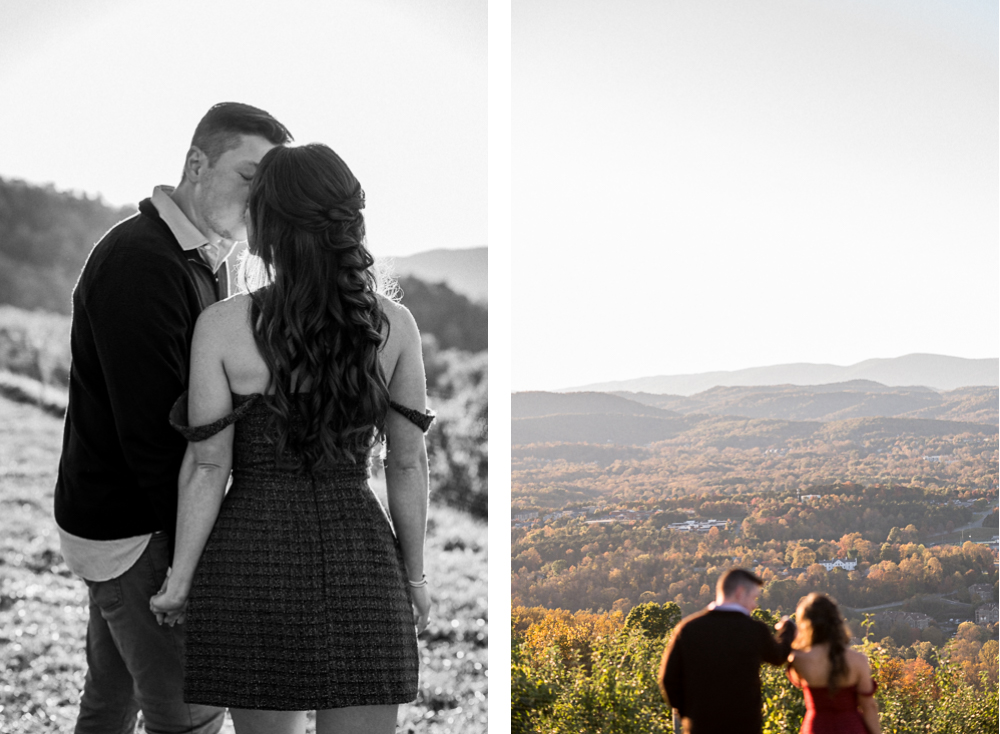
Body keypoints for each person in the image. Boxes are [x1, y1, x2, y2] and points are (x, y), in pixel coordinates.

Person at [149, 143, 433, 734]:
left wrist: (179, 580)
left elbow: (207, 467)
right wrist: (415, 577)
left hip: (251, 562)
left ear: (267, 225)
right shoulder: (394, 325)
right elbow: (406, 466)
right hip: (361, 564)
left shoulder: (222, 327)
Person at [53, 102, 292, 734]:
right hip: (139, 531)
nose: (258, 199)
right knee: (189, 715)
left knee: (108, 702)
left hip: (116, 519)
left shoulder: (200, 258)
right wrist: (198, 564)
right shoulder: (143, 261)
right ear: (196, 163)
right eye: (248, 177)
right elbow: (157, 438)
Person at [659, 568, 796, 734]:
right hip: (745, 727)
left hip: (700, 726)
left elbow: (669, 680)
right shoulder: (754, 630)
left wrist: (688, 714)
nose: (755, 605)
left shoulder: (688, 629)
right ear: (740, 592)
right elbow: (779, 656)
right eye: (754, 598)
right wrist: (788, 628)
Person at [785, 593, 880, 734]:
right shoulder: (858, 660)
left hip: (816, 727)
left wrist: (787, 632)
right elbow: (868, 706)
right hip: (851, 728)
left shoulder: (798, 659)